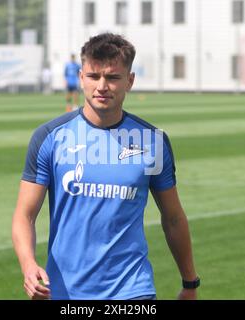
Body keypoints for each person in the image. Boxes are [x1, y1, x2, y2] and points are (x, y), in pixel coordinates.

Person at [12, 33, 199, 300]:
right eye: (93, 76)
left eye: (112, 77)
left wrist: (190, 283)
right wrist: (28, 265)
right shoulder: (49, 138)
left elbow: (173, 218)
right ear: (80, 78)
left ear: (130, 81)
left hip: (132, 290)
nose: (102, 86)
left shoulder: (152, 142)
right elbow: (24, 215)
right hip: (64, 291)